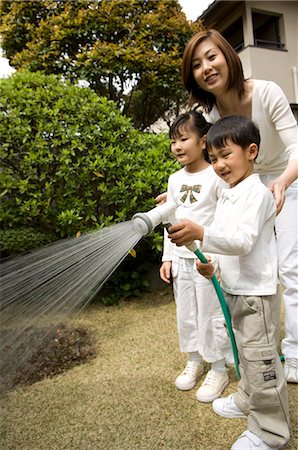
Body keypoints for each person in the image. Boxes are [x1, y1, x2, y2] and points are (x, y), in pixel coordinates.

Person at [163, 28, 298, 382]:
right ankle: (246, 355)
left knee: (290, 271)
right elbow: (209, 164)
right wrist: (181, 194)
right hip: (241, 185)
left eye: (212, 56)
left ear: (228, 56)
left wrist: (282, 183)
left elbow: (296, 146)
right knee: (239, 269)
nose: (206, 67)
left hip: (285, 180)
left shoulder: (266, 91)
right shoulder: (206, 112)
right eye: (196, 64)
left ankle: (295, 355)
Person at [167, 115, 290, 450]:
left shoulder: (257, 194)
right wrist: (213, 266)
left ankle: (271, 433)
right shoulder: (230, 193)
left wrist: (201, 234)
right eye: (214, 158)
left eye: (226, 155)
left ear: (251, 151)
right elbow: (226, 241)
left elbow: (243, 241)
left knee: (261, 362)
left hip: (256, 295)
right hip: (235, 289)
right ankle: (246, 401)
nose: (219, 165)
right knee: (245, 356)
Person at [160, 110, 233, 403]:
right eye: (173, 140)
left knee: (211, 315)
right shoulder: (174, 179)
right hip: (180, 261)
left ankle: (218, 367)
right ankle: (194, 360)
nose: (177, 146)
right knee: (186, 314)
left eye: (183, 139)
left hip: (206, 261)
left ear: (203, 141)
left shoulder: (216, 175)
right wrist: (167, 257)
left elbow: (224, 221)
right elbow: (170, 218)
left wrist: (217, 260)